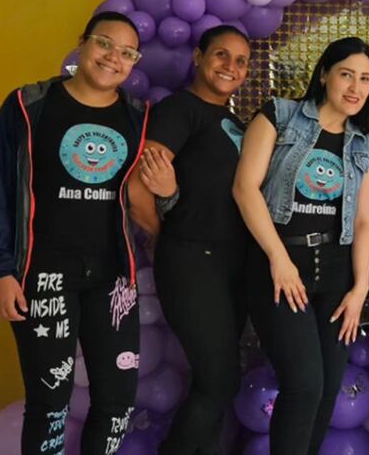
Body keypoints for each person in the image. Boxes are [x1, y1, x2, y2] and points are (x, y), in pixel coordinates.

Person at [0, 11, 149, 453]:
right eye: (104, 44)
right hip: (42, 274)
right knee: (50, 402)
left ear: (135, 62)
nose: (113, 58)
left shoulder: (137, 117)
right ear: (83, 43)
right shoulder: (28, 105)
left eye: (127, 53)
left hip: (111, 278)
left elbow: (148, 194)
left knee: (118, 401)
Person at [232, 36, 369, 455]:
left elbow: (365, 220)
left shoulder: (363, 145)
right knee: (303, 383)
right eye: (346, 74)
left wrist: (360, 289)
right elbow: (246, 189)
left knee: (327, 388)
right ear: (323, 75)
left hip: (335, 273)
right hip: (280, 265)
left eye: (365, 79)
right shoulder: (279, 115)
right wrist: (278, 258)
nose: (355, 87)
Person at [127, 24, 252, 454]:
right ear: (199, 57)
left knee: (215, 379)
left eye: (240, 61)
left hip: (229, 264)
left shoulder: (234, 122)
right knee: (218, 381)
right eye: (220, 55)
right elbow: (138, 189)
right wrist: (169, 235)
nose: (229, 66)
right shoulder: (180, 110)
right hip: (192, 260)